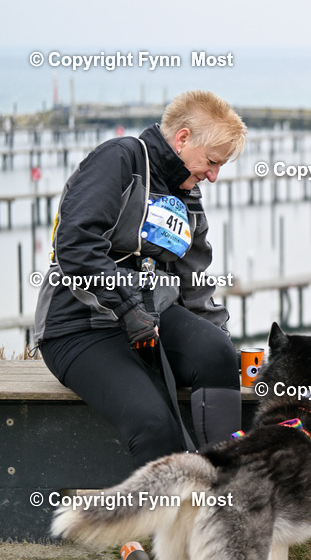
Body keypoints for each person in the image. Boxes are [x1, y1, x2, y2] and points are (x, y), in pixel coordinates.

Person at [34, 90, 247, 469]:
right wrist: (127, 306)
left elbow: (193, 280)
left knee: (217, 353)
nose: (213, 176)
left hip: (151, 318)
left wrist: (225, 342)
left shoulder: (188, 195)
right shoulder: (119, 159)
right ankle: (162, 525)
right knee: (154, 422)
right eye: (212, 162)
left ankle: (226, 488)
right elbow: (75, 246)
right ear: (183, 139)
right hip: (79, 326)